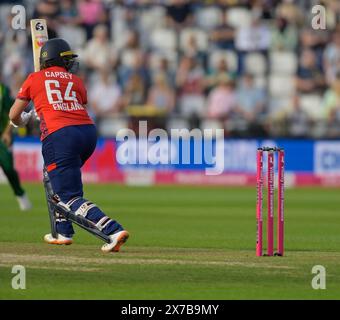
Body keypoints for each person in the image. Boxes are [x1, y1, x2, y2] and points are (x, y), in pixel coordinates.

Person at [9, 38, 129, 252]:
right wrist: (43, 110)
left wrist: (27, 118)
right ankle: (61, 231)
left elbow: (14, 115)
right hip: (87, 134)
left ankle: (112, 230)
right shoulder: (76, 80)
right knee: (51, 176)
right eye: (66, 59)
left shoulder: (34, 78)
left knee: (68, 196)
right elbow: (72, 104)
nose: (69, 63)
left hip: (60, 136)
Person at [0, 81, 32, 211]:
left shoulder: (3, 90)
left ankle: (20, 194)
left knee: (8, 168)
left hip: (2, 136)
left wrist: (8, 132)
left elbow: (12, 112)